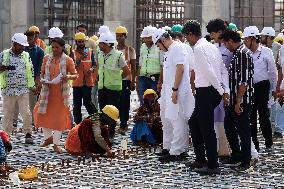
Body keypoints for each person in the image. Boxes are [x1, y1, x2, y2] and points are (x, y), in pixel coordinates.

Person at [182, 20, 228, 175]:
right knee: (194, 122)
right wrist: (222, 90)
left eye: (187, 37)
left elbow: (209, 72)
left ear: (190, 34)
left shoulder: (200, 49)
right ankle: (201, 158)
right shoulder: (212, 46)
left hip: (207, 91)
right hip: (210, 91)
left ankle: (213, 165)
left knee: (206, 129)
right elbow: (222, 69)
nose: (187, 40)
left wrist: (221, 90)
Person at [152, 28, 195, 162]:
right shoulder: (168, 51)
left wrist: (175, 89)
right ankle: (168, 147)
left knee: (177, 120)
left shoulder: (177, 48)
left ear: (163, 40)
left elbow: (180, 68)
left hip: (178, 89)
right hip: (168, 89)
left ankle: (177, 151)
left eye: (158, 44)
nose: (158, 48)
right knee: (167, 119)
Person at [34, 37, 78, 153]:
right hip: (47, 92)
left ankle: (56, 144)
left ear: (62, 47)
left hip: (61, 94)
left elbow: (75, 75)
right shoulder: (46, 58)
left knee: (60, 119)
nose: (54, 49)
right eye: (52, 47)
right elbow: (42, 73)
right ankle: (48, 138)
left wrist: (67, 77)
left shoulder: (68, 60)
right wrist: (42, 81)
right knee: (41, 114)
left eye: (57, 47)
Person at [221, 29, 254, 170]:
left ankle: (245, 161)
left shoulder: (242, 54)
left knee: (243, 131)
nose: (225, 47)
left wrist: (238, 101)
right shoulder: (237, 53)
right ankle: (236, 155)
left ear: (230, 41)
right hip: (234, 99)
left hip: (241, 101)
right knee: (229, 126)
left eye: (225, 43)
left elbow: (243, 81)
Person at [243, 26, 278, 152]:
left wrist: (274, 88)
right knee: (250, 116)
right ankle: (255, 145)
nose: (244, 42)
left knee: (264, 115)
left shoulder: (266, 52)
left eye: (246, 39)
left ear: (253, 39)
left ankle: (268, 143)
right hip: (248, 87)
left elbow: (273, 72)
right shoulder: (244, 52)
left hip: (262, 86)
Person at [0, 33, 35, 144]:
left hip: (23, 89)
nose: (22, 48)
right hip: (8, 90)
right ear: (14, 43)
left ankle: (28, 133)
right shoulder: (4, 54)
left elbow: (30, 71)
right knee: (8, 113)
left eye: (23, 46)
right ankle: (6, 136)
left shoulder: (25, 55)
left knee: (26, 113)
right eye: (20, 45)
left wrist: (32, 86)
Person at [95, 31, 130, 139]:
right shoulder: (100, 54)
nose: (99, 45)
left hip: (114, 88)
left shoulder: (118, 55)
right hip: (102, 87)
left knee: (112, 112)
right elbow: (99, 67)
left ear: (107, 44)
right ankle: (104, 133)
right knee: (103, 111)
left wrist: (117, 79)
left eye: (101, 43)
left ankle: (111, 133)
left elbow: (126, 71)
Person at [206, 18, 232, 158]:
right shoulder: (213, 47)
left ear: (220, 32)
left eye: (213, 33)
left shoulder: (229, 47)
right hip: (215, 89)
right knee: (216, 119)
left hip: (227, 89)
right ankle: (220, 150)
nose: (211, 36)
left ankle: (228, 150)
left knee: (226, 120)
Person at [70, 32, 97, 124]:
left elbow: (94, 64)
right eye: (79, 42)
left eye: (82, 42)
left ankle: (95, 119)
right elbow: (72, 66)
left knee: (87, 102)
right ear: (76, 42)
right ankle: (78, 123)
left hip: (87, 82)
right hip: (77, 83)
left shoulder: (90, 51)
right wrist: (80, 58)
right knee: (77, 105)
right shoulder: (73, 53)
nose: (81, 43)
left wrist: (91, 70)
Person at [115, 26, 136, 135]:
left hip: (126, 80)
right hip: (114, 81)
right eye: (117, 35)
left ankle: (123, 123)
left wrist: (133, 81)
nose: (119, 37)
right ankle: (116, 121)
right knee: (116, 102)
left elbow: (133, 67)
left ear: (125, 36)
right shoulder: (113, 49)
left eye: (121, 35)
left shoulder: (130, 50)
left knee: (125, 102)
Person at [261, 27, 282, 137]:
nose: (261, 38)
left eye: (263, 36)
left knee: (274, 101)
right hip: (263, 80)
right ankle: (267, 121)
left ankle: (273, 122)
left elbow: (279, 65)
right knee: (265, 103)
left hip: (274, 80)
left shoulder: (278, 47)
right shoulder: (260, 48)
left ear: (269, 37)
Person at [137, 26, 162, 104]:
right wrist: (137, 80)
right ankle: (144, 116)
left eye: (149, 37)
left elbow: (162, 66)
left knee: (153, 103)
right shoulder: (143, 47)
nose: (147, 40)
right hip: (143, 78)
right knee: (143, 102)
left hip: (155, 79)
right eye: (145, 38)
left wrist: (160, 82)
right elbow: (140, 64)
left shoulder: (159, 47)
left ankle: (152, 116)